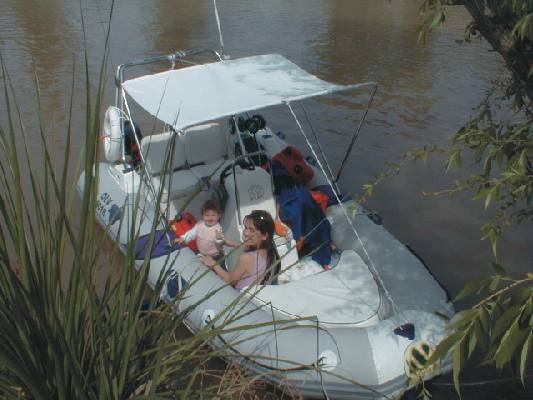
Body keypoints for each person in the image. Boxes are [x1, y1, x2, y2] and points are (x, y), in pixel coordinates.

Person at [203, 210, 279, 290]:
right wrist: (226, 240)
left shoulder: (246, 258)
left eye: (252, 230)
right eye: (246, 228)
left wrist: (213, 264)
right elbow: (244, 245)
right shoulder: (272, 251)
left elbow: (230, 281)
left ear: (264, 236)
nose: (246, 233)